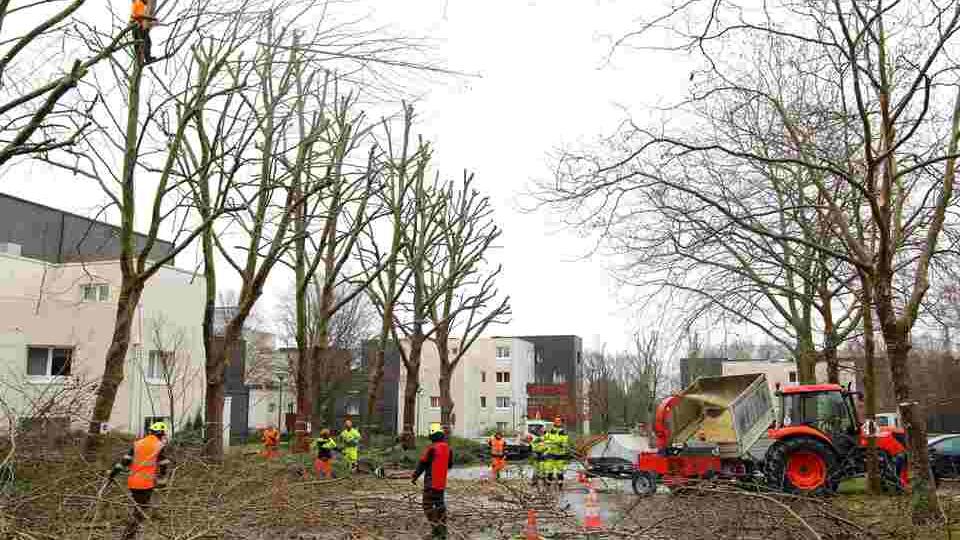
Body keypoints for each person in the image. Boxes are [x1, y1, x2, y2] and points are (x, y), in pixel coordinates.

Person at [109, 421, 171, 540]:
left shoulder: (138, 443)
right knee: (140, 512)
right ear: (161, 434)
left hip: (133, 482)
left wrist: (113, 474)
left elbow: (125, 461)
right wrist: (162, 482)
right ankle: (127, 536)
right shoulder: (158, 445)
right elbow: (163, 464)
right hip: (146, 484)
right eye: (164, 434)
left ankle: (131, 534)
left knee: (139, 508)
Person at [412, 423, 453, 539]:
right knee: (440, 506)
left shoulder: (431, 448)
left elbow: (422, 464)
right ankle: (443, 530)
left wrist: (414, 477)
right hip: (441, 484)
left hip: (430, 484)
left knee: (427, 505)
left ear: (432, 436)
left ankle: (436, 529)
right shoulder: (448, 449)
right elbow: (449, 465)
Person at [543, 416, 570, 490]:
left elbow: (564, 441)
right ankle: (548, 486)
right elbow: (545, 438)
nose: (556, 422)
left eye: (558, 421)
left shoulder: (563, 432)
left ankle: (560, 486)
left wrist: (560, 444)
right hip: (551, 453)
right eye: (555, 421)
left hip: (560, 455)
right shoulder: (551, 430)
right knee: (549, 470)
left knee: (560, 471)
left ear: (561, 422)